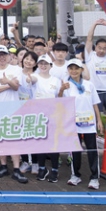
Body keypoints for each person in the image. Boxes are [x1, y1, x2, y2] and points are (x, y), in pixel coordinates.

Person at [0, 45, 28, 183]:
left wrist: (7, 82)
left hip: (14, 109)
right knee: (0, 139)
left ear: (9, 55)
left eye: (4, 54)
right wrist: (8, 84)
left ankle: (16, 168)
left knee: (14, 140)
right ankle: (3, 166)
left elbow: (16, 87)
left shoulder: (16, 69)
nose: (2, 57)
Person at [59, 58, 103, 189]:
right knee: (75, 151)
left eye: (76, 68)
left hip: (89, 123)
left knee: (92, 151)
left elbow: (95, 103)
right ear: (68, 70)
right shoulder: (66, 85)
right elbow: (59, 102)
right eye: (71, 68)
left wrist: (99, 120)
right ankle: (75, 175)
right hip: (73, 123)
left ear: (81, 70)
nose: (73, 71)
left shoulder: (89, 85)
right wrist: (61, 89)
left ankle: (94, 178)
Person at [27, 55, 63, 183]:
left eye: (45, 63)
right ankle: (42, 168)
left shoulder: (56, 80)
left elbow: (60, 96)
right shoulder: (36, 77)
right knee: (40, 144)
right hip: (38, 116)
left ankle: (54, 170)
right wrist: (29, 77)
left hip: (53, 115)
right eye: (41, 63)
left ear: (50, 65)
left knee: (53, 144)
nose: (43, 66)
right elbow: (31, 80)